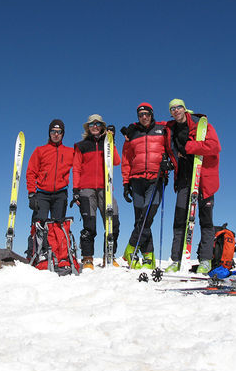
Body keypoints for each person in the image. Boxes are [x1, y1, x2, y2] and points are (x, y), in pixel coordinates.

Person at [164, 99, 221, 273]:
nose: (176, 110)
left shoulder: (201, 124)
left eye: (178, 107)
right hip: (183, 178)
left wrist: (189, 147)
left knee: (205, 219)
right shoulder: (171, 128)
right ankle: (176, 260)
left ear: (185, 108)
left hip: (204, 179)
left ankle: (205, 260)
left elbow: (214, 146)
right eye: (172, 109)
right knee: (180, 219)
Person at [120, 102, 172, 269]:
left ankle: (130, 249)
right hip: (136, 180)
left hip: (155, 179)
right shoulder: (132, 134)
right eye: (140, 115)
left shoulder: (162, 129)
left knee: (147, 216)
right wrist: (126, 183)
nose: (144, 117)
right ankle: (148, 257)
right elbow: (126, 160)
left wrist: (168, 163)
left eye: (146, 114)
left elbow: (176, 124)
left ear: (151, 114)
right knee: (140, 220)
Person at [72, 114, 121, 270]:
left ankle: (109, 255)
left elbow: (117, 161)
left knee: (113, 222)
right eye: (92, 124)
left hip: (105, 189)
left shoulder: (107, 144)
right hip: (86, 190)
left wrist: (111, 142)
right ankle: (87, 259)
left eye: (98, 124)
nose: (95, 126)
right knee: (89, 225)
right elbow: (77, 168)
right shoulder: (81, 146)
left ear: (102, 126)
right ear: (88, 127)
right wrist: (76, 190)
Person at [25, 119, 74, 259]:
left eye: (59, 132)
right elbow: (31, 172)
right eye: (53, 131)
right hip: (42, 194)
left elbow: (83, 164)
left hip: (60, 194)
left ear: (63, 134)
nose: (56, 134)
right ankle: (34, 254)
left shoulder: (70, 152)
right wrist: (31, 194)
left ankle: (58, 256)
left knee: (58, 225)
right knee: (38, 224)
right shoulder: (40, 150)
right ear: (49, 133)